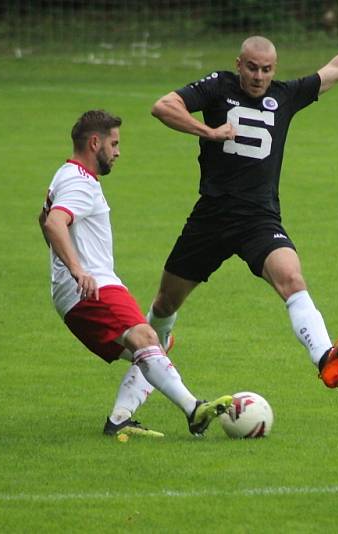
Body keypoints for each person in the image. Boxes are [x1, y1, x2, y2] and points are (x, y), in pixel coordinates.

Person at [145, 0, 338, 388]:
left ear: (274, 70)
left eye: (266, 69)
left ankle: (326, 358)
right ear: (239, 63)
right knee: (164, 303)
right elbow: (163, 106)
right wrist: (208, 132)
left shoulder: (285, 96)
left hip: (258, 218)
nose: (258, 76)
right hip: (210, 217)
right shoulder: (217, 87)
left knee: (292, 279)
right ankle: (154, 348)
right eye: (251, 68)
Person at [39, 110, 231, 438]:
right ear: (94, 142)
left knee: (157, 342)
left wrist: (64, 267)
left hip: (82, 288)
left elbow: (43, 219)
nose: (117, 152)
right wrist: (76, 269)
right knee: (146, 338)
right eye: (113, 144)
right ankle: (193, 410)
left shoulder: (65, 175)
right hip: (93, 287)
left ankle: (120, 419)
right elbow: (55, 222)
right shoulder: (79, 182)